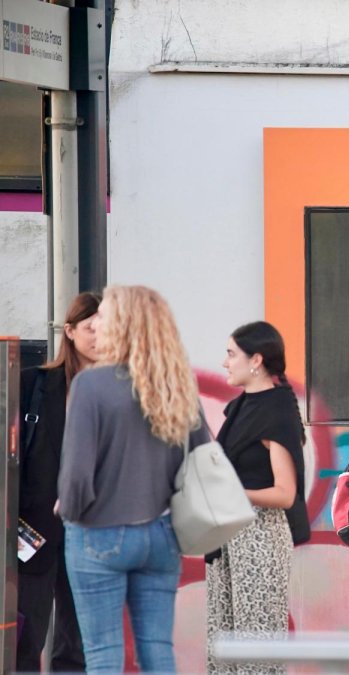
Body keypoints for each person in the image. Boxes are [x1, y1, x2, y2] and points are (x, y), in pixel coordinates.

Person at [58, 285, 210, 672]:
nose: (98, 326)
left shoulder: (90, 385)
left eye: (104, 318)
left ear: (122, 326)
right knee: (157, 649)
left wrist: (69, 510)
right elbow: (200, 461)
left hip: (98, 531)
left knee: (103, 653)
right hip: (162, 534)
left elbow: (76, 478)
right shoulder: (176, 386)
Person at [207, 321, 309, 674]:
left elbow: (285, 493)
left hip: (260, 540)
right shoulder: (241, 406)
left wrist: (231, 491)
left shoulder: (276, 410)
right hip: (227, 537)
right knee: (225, 649)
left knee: (256, 650)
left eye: (231, 353)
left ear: (257, 360)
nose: (224, 362)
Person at [16, 291, 98, 672]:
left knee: (78, 638)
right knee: (25, 633)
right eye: (90, 328)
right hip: (33, 527)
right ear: (70, 331)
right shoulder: (35, 383)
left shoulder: (117, 391)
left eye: (108, 328)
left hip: (91, 528)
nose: (100, 336)